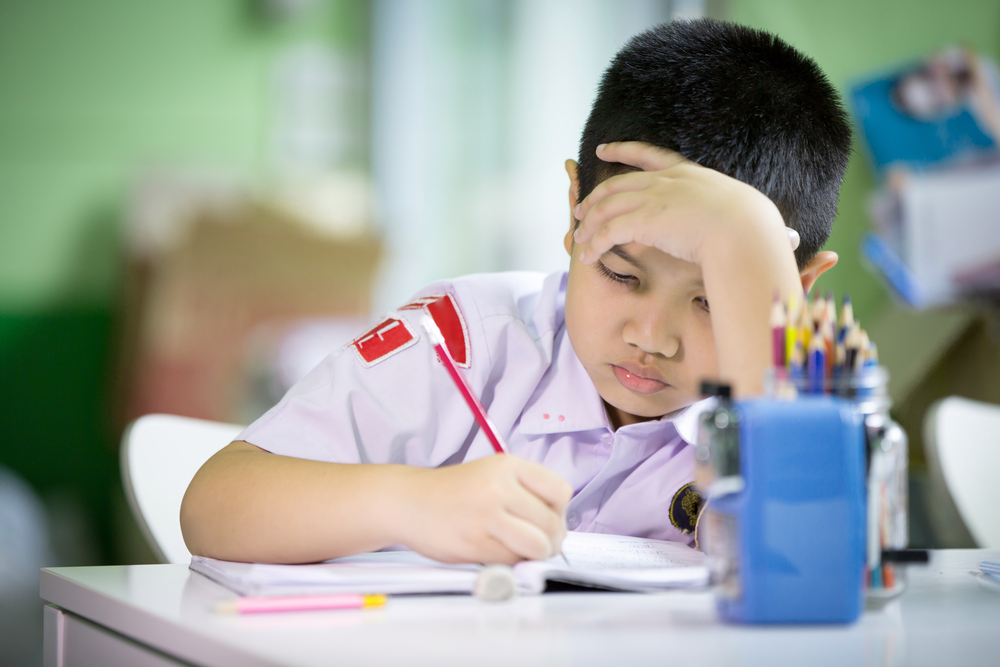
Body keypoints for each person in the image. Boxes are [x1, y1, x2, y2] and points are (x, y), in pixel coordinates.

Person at [180, 19, 851, 565]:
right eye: (622, 273)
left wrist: (750, 245)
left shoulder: (795, 404)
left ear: (797, 291)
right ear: (573, 214)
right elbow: (214, 505)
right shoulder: (466, 339)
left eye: (710, 298)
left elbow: (812, 570)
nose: (653, 335)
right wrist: (409, 501)